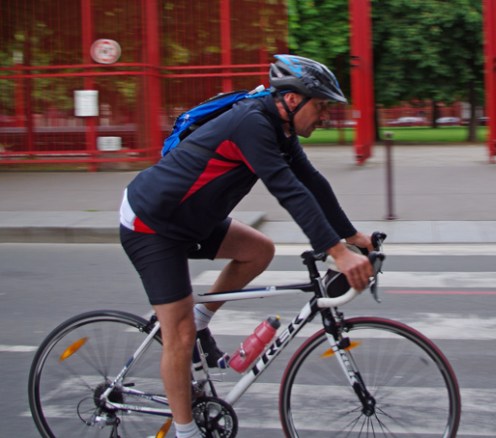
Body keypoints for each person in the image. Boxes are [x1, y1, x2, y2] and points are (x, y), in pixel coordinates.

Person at [119, 54, 374, 438]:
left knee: (258, 251)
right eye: (321, 106)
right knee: (179, 336)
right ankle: (186, 431)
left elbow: (311, 182)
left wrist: (351, 236)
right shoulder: (251, 123)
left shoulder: (279, 127)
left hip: (193, 218)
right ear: (292, 100)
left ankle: (199, 322)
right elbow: (287, 190)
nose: (325, 116)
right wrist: (337, 252)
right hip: (153, 223)